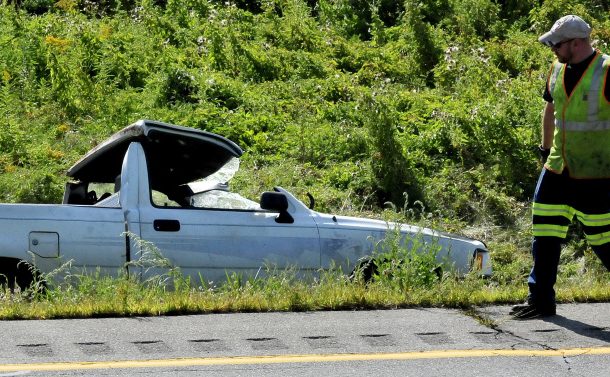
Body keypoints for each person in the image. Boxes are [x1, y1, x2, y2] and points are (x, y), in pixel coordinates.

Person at [510, 15, 610, 319]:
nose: (552, 48)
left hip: (596, 173)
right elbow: (550, 108)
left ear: (576, 42)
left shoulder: (607, 71)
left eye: (557, 43)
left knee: (603, 240)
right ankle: (540, 299)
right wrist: (545, 150)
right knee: (545, 231)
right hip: (557, 167)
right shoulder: (556, 69)